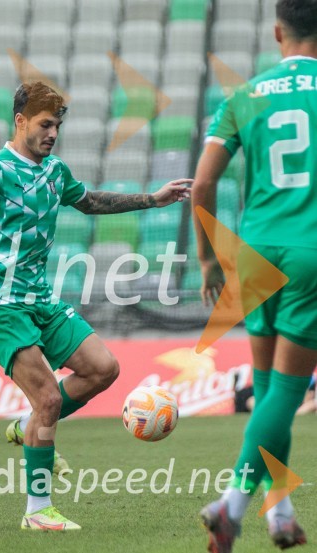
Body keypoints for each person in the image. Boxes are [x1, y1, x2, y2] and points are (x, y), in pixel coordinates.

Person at [0, 81, 190, 531]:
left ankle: (27, 426)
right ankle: (38, 511)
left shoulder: (55, 171)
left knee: (104, 368)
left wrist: (152, 199)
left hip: (41, 298)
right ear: (20, 121)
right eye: (45, 124)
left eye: (56, 125)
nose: (52, 133)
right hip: (0, 305)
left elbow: (91, 201)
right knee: (46, 398)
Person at [194, 1, 317, 550]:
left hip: (253, 251)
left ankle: (281, 515)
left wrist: (206, 259)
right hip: (309, 252)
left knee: (266, 387)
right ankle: (231, 506)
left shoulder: (245, 95)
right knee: (286, 395)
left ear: (277, 31)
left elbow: (200, 186)